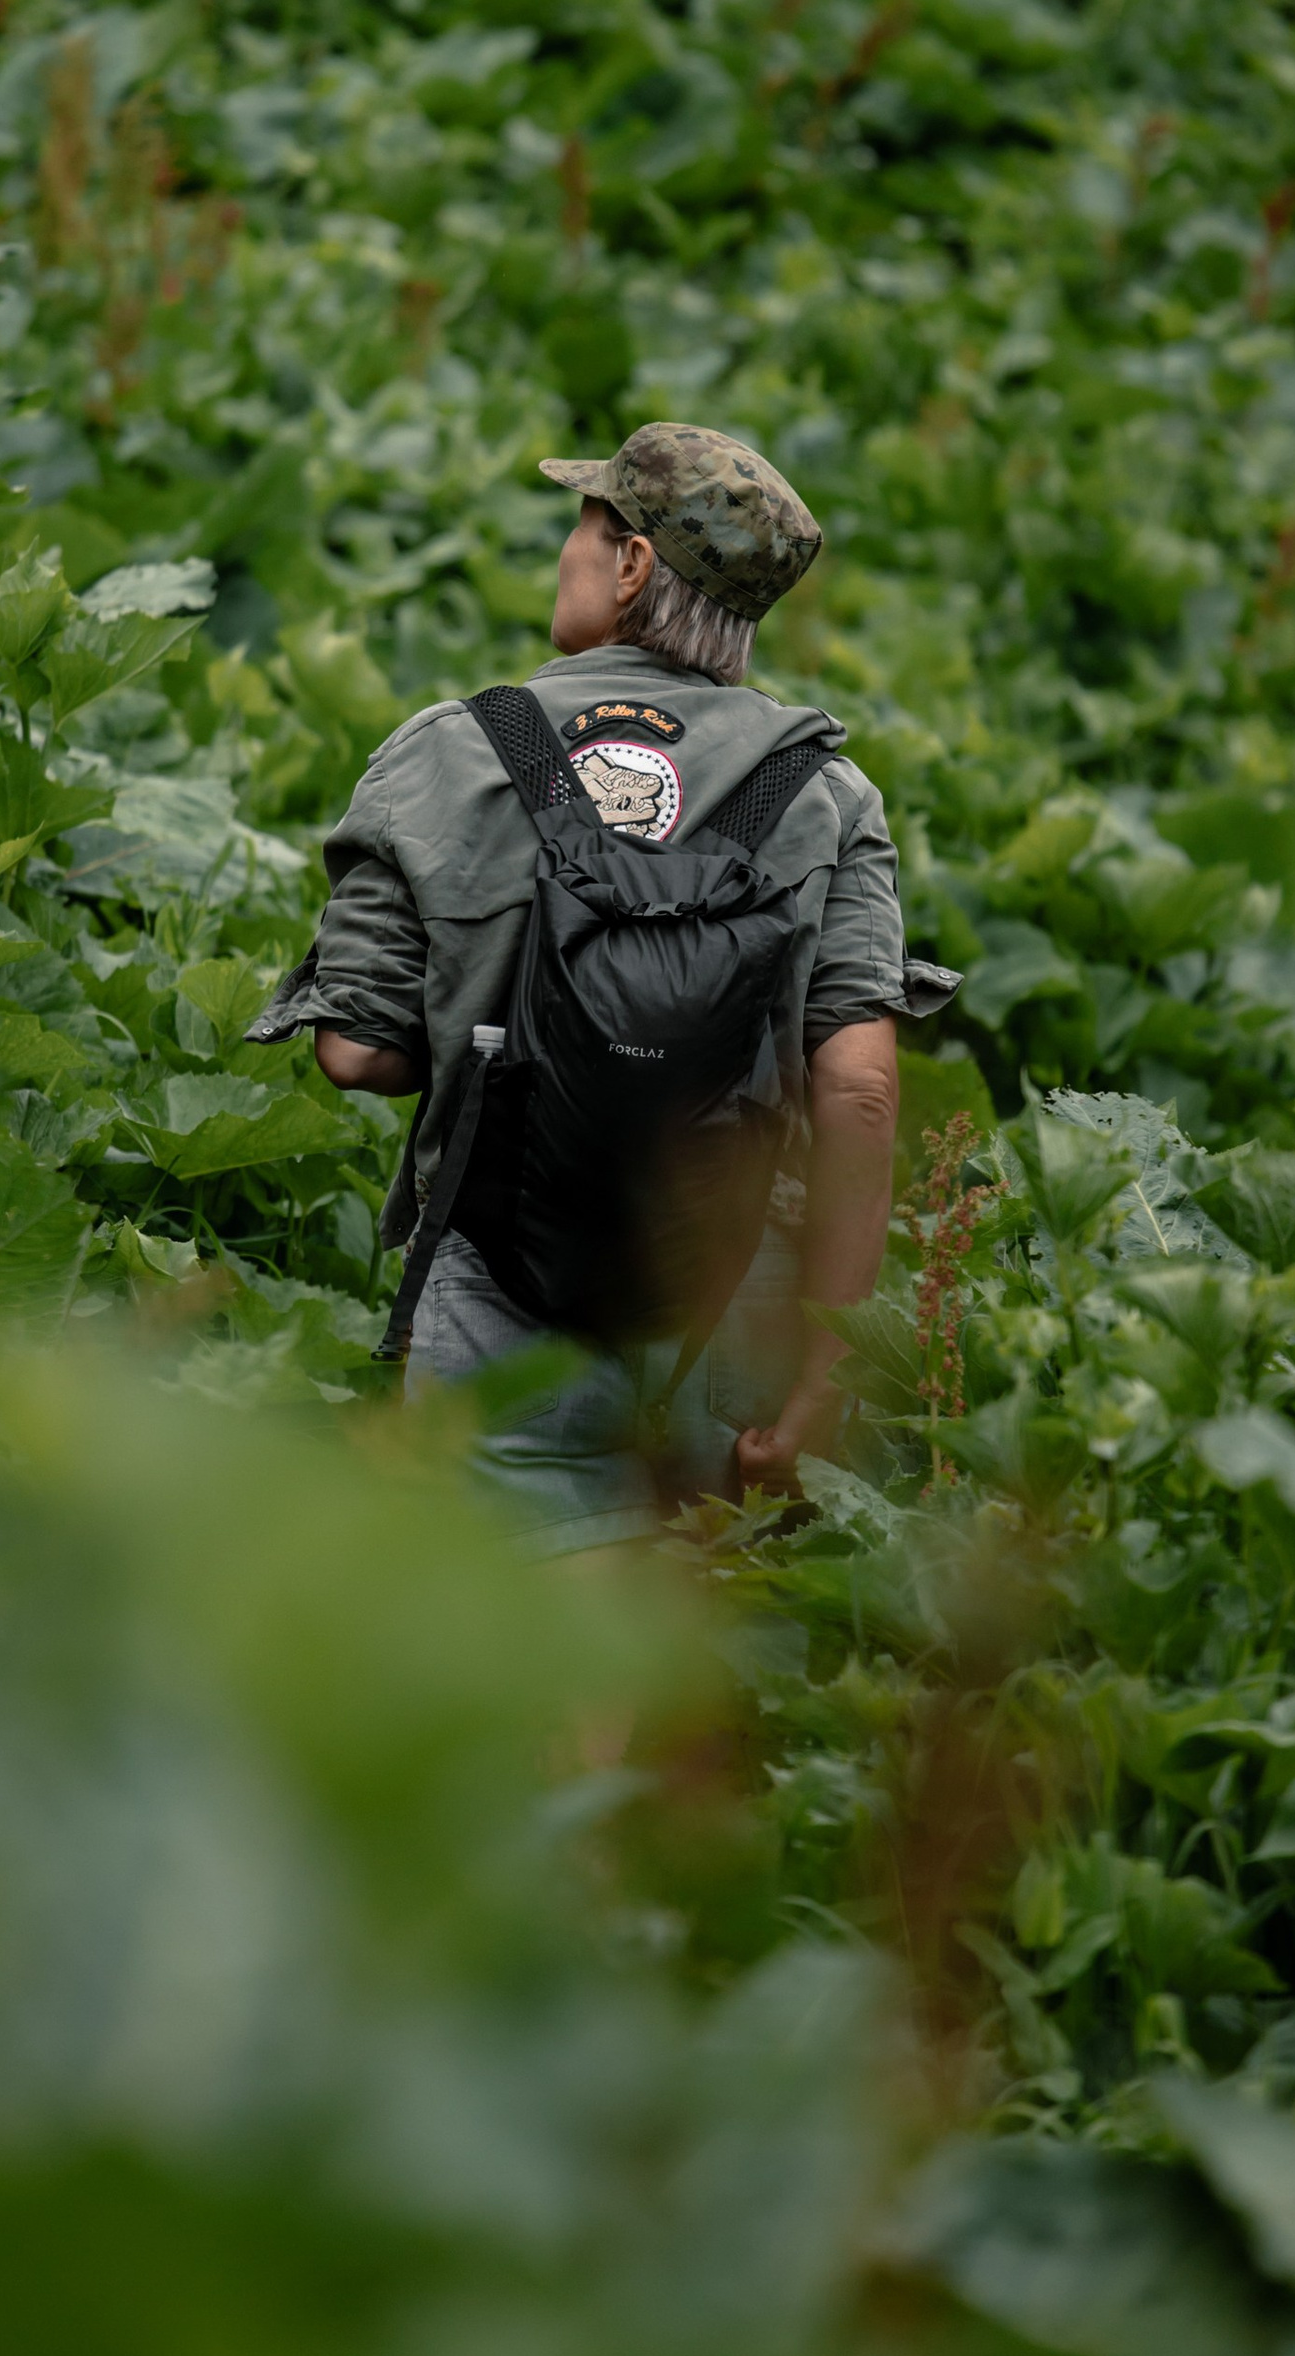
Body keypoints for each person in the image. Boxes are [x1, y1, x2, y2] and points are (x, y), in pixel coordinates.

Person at [250, 424, 956, 1555]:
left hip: (500, 1298)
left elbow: (355, 1054)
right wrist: (826, 1369)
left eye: (585, 527)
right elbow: (862, 1096)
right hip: (728, 1308)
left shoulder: (451, 750)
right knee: (685, 1689)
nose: (567, 553)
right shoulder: (822, 791)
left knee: (516, 1675)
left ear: (632, 566)